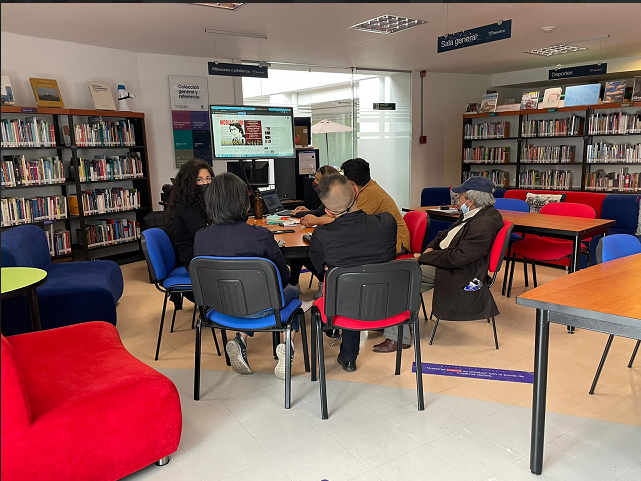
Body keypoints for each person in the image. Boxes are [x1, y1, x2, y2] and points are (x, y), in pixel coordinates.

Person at [193, 173, 312, 379]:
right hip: (263, 310)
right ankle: (287, 344)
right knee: (293, 293)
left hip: (219, 309)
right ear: (245, 205)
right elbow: (282, 279)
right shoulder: (261, 236)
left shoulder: (201, 237)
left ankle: (240, 339)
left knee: (244, 296)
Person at [373, 176, 503, 353]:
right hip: (442, 260)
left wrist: (426, 257)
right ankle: (391, 321)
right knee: (393, 271)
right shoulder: (474, 213)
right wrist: (430, 249)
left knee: (402, 278)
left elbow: (458, 257)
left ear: (471, 201)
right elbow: (444, 234)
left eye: (461, 196)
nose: (458, 199)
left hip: (459, 272)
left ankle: (399, 337)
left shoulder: (483, 224)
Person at [309, 173, 397, 371]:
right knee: (358, 280)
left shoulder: (322, 235)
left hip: (344, 307)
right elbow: (387, 256)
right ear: (356, 191)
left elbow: (318, 269)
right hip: (387, 304)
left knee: (345, 286)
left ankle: (348, 357)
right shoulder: (386, 223)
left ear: (329, 211)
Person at [340, 158, 411, 255]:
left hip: (396, 244)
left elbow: (350, 219)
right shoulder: (366, 188)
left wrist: (318, 220)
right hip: (382, 239)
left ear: (351, 183)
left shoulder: (370, 193)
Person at [288, 165, 340, 292]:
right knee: (299, 246)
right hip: (328, 231)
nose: (314, 182)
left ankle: (322, 280)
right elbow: (321, 212)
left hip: (334, 237)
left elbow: (320, 214)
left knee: (302, 252)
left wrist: (297, 214)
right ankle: (294, 283)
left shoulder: (334, 194)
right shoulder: (326, 193)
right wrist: (309, 212)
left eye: (317, 179)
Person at [166, 159, 214, 268]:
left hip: (201, 254)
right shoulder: (187, 207)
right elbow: (203, 236)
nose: (205, 183)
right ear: (189, 183)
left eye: (208, 178)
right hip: (194, 261)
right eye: (199, 180)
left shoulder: (200, 202)